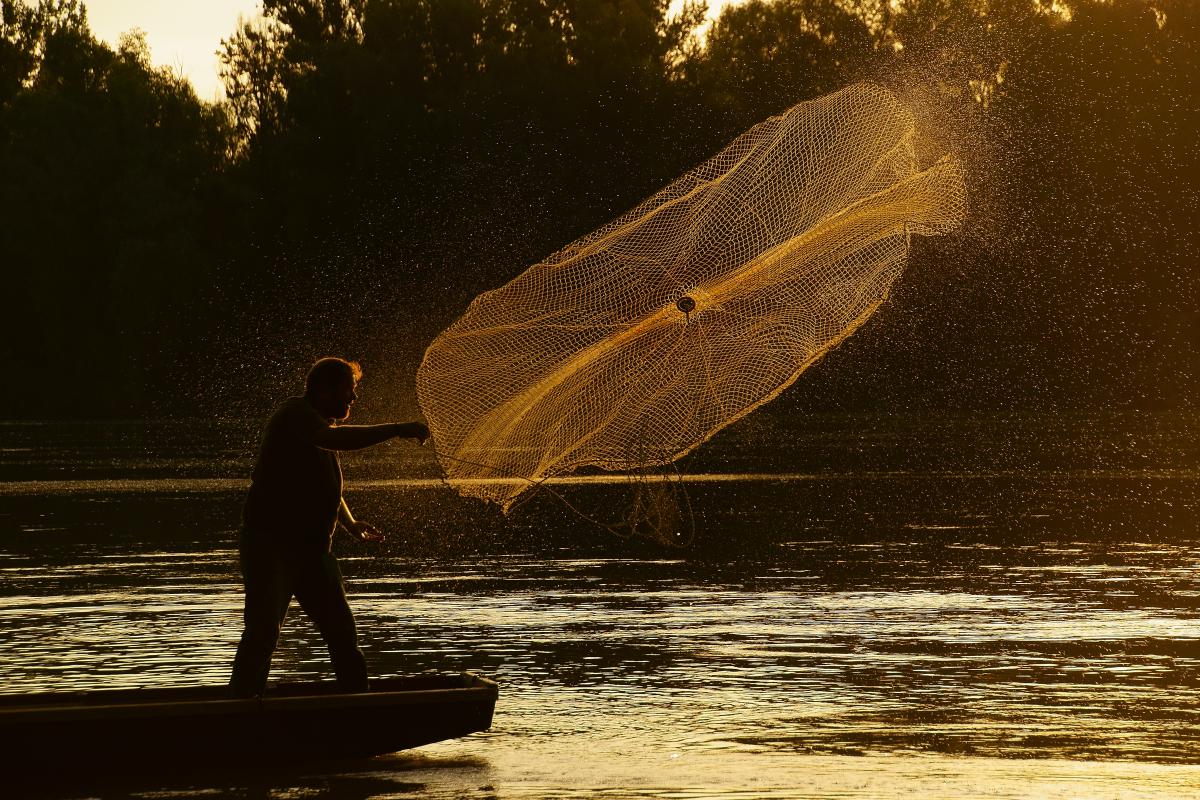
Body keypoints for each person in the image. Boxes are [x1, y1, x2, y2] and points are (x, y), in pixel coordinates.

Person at [229, 357, 429, 698]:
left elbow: (320, 483)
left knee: (342, 633)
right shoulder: (295, 416)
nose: (353, 400)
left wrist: (349, 522)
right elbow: (333, 440)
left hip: (312, 552)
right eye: (348, 392)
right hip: (271, 548)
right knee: (263, 633)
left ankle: (357, 705)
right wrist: (396, 429)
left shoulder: (318, 423)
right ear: (324, 389)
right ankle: (240, 707)